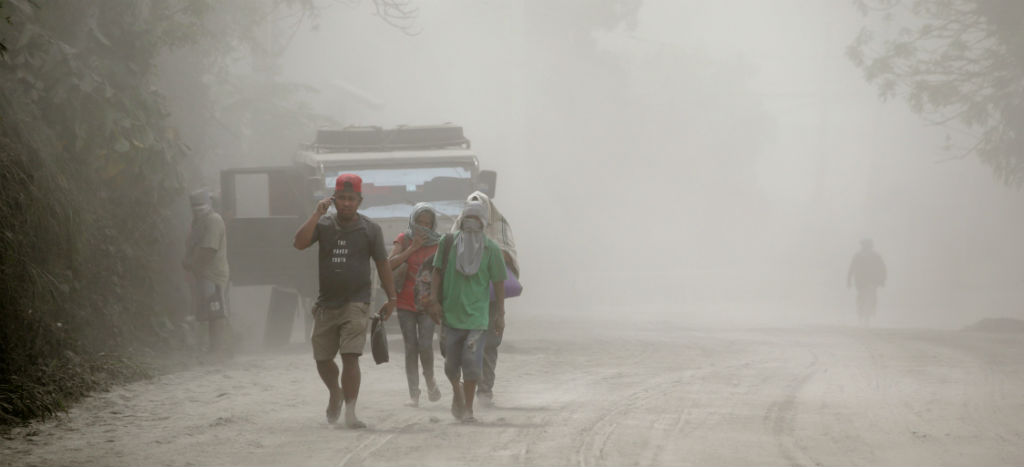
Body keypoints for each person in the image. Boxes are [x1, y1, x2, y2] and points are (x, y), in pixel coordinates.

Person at [292, 173, 398, 428]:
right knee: (322, 358)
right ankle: (335, 392)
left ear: (360, 201)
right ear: (334, 199)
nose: (347, 203)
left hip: (357, 302)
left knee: (350, 356)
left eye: (352, 199)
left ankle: (350, 412)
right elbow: (299, 243)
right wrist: (317, 214)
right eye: (342, 198)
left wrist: (392, 297)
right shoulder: (324, 225)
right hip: (327, 303)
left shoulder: (371, 229)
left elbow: (383, 265)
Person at [429, 201, 507, 422]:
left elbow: (499, 282)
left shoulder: (491, 249)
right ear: (461, 223)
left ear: (483, 225)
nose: (471, 228)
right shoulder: (447, 243)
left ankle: (468, 409)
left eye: (476, 224)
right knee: (450, 365)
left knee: (472, 363)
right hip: (450, 316)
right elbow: (436, 272)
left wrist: (500, 315)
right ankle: (458, 392)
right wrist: (434, 300)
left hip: (477, 319)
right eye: (467, 223)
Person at [450, 191, 518, 406]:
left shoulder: (498, 227)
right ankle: (464, 388)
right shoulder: (453, 237)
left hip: (487, 299)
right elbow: (443, 266)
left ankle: (485, 390)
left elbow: (507, 257)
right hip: (462, 299)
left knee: (488, 343)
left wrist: (483, 245)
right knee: (457, 346)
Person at [387, 202, 443, 407]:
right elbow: (389, 264)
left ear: (433, 224)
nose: (423, 227)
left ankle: (430, 382)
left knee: (426, 345)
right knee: (410, 347)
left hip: (428, 304)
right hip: (405, 302)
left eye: (428, 223)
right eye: (420, 222)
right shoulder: (403, 239)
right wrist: (413, 248)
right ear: (413, 220)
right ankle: (414, 394)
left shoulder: (439, 243)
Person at [182, 189, 230, 357]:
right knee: (207, 313)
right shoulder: (198, 221)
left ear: (208, 205)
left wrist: (192, 264)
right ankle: (210, 349)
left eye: (201, 205)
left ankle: (218, 351)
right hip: (201, 274)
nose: (197, 209)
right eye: (194, 206)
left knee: (216, 312)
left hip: (212, 274)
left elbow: (209, 249)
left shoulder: (213, 220)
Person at [847, 238, 887, 327]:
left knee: (870, 299)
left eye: (867, 245)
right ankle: (862, 317)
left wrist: (882, 280)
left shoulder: (875, 256)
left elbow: (882, 269)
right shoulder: (858, 256)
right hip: (861, 282)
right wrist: (848, 280)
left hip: (871, 282)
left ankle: (867, 318)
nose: (866, 247)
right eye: (865, 245)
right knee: (862, 299)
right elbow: (852, 268)